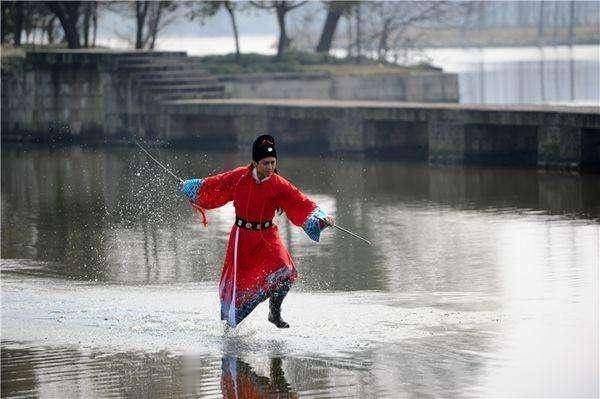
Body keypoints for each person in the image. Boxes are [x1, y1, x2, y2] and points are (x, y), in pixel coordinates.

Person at [179, 135, 334, 329]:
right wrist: (194, 188)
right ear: (254, 163)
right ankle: (231, 327)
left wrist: (319, 220)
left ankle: (274, 313)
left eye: (273, 163)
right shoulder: (238, 177)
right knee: (240, 287)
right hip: (242, 238)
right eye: (265, 163)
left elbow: (300, 203)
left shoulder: (279, 185)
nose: (270, 167)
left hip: (268, 237)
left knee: (286, 274)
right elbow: (216, 184)